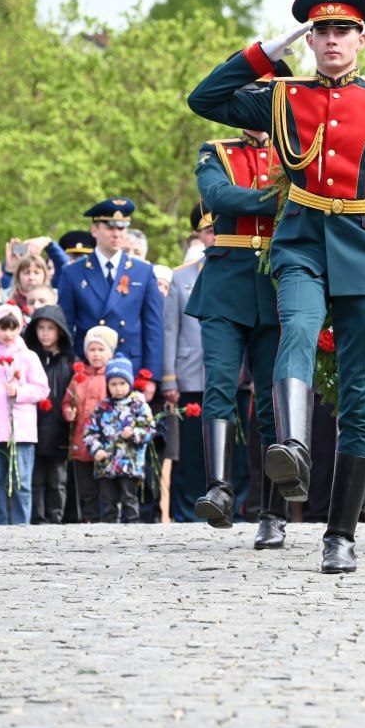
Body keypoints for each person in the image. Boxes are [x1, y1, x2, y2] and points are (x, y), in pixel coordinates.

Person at [187, 0, 365, 573]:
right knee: (295, 328)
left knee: (358, 398)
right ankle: (290, 447)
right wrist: (269, 49)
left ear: (360, 38)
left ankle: (340, 533)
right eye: (321, 31)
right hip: (299, 243)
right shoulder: (282, 95)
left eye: (343, 31)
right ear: (311, 39)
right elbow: (204, 98)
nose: (332, 40)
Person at [186, 130, 286, 543]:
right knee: (220, 386)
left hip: (275, 281)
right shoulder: (215, 150)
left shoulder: (292, 147)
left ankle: (272, 513)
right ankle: (219, 489)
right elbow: (218, 196)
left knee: (271, 400)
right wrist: (279, 199)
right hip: (226, 282)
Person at [57, 198, 164, 402]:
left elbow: (154, 328)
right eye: (110, 227)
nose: (117, 234)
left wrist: (151, 376)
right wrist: (74, 367)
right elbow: (66, 327)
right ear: (94, 230)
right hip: (89, 369)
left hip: (131, 369)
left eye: (122, 228)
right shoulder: (73, 273)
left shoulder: (143, 272)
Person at [0, 303, 49, 525]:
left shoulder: (28, 356)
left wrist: (20, 392)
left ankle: (21, 524)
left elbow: (42, 389)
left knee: (22, 480)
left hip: (22, 430)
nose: (7, 334)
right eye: (2, 328)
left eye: (13, 328)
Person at [163, 205, 217, 526]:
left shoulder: (239, 270)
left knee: (226, 445)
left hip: (225, 374)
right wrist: (169, 377)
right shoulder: (182, 276)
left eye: (218, 229)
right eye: (208, 230)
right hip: (190, 374)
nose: (213, 235)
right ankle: (187, 510)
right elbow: (170, 329)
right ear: (198, 234)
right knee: (191, 449)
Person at [84, 355, 154, 524]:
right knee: (107, 501)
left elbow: (149, 429)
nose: (118, 388)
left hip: (128, 464)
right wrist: (96, 449)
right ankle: (108, 534)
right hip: (105, 465)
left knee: (129, 499)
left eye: (122, 383)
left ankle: (131, 533)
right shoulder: (102, 407)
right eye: (113, 384)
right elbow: (90, 432)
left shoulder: (138, 405)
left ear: (129, 383)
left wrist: (134, 433)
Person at [24, 305, 74, 524]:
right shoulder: (28, 358)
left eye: (50, 328)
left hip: (59, 427)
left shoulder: (69, 361)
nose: (44, 333)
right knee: (35, 477)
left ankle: (56, 516)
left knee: (57, 478)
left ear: (60, 331)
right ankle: (37, 516)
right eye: (40, 328)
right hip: (33, 425)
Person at [63, 326, 116, 522]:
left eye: (101, 350)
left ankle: (109, 520)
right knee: (86, 488)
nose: (96, 354)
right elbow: (67, 401)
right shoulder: (79, 377)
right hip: (81, 439)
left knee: (106, 487)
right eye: (92, 349)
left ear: (109, 353)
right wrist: (69, 411)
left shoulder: (112, 377)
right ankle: (89, 519)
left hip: (106, 443)